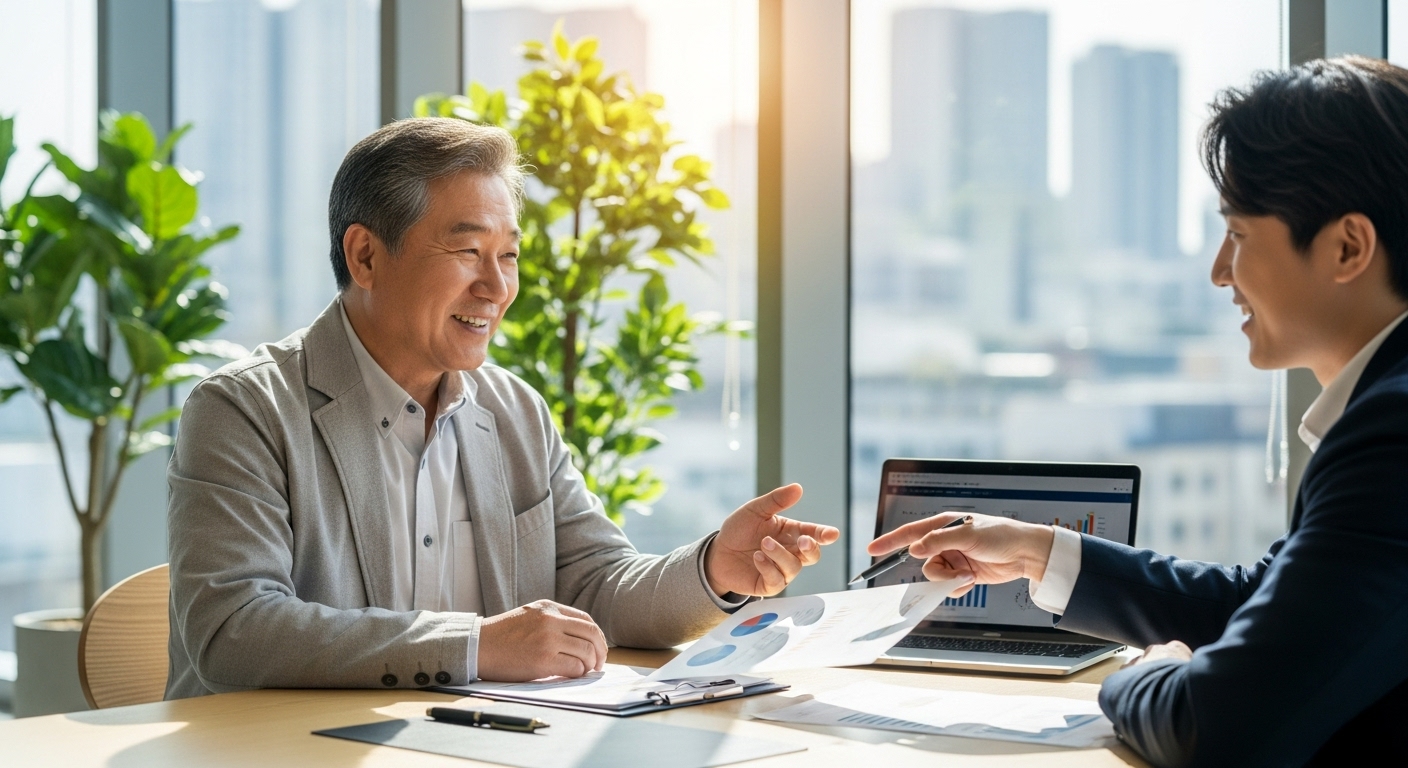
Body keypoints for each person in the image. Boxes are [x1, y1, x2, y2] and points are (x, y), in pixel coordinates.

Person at [165, 118, 839, 699]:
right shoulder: (242, 411)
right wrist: (475, 647)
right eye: (467, 251)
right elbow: (235, 631)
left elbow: (597, 585)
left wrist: (716, 566)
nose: (496, 287)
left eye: (508, 255)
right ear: (365, 255)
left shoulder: (515, 412)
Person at [868, 56, 1408, 767]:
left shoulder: (1390, 434)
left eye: (1239, 235)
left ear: (1347, 247)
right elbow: (1266, 606)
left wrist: (1140, 675)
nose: (1219, 270)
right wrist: (1040, 550)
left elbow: (1218, 728)